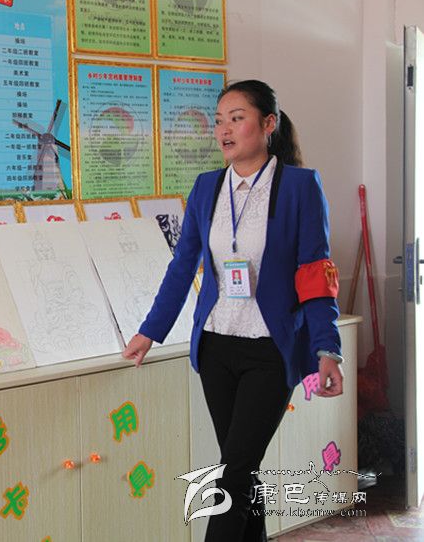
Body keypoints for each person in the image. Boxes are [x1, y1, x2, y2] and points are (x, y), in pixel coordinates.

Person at [121, 80, 343, 542]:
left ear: (268, 124)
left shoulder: (300, 186)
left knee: (233, 474)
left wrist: (327, 349)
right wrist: (150, 331)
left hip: (270, 350)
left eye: (237, 118)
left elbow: (315, 273)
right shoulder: (207, 187)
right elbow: (183, 266)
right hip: (216, 346)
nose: (224, 129)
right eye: (219, 120)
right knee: (242, 470)